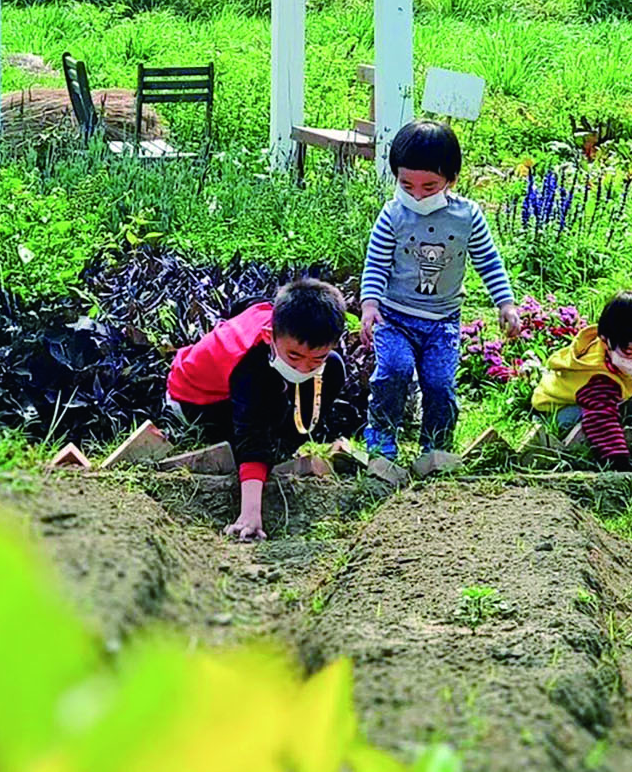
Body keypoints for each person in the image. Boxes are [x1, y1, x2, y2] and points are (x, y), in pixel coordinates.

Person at [360, 120, 520, 459]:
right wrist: (370, 305)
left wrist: (505, 303)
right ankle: (380, 436)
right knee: (394, 371)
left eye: (429, 186)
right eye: (407, 185)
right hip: (395, 316)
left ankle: (437, 446)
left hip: (443, 320)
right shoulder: (392, 215)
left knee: (439, 383)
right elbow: (375, 264)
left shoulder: (468, 217)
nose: (417, 195)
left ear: (451, 180)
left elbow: (488, 261)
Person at [165, 277, 357, 541]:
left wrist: (312, 364)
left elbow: (243, 307)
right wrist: (250, 514)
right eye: (294, 357)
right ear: (269, 336)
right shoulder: (250, 366)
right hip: (193, 399)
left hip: (251, 374)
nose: (304, 368)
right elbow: (251, 430)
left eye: (316, 359)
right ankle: (262, 471)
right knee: (265, 413)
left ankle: (283, 449)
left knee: (333, 369)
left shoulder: (280, 321)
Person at [530, 290, 632, 471]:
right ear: (606, 341)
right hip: (558, 411)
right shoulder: (599, 378)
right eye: (628, 353)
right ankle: (585, 453)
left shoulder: (613, 352)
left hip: (585, 398)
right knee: (601, 420)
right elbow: (602, 419)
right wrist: (619, 462)